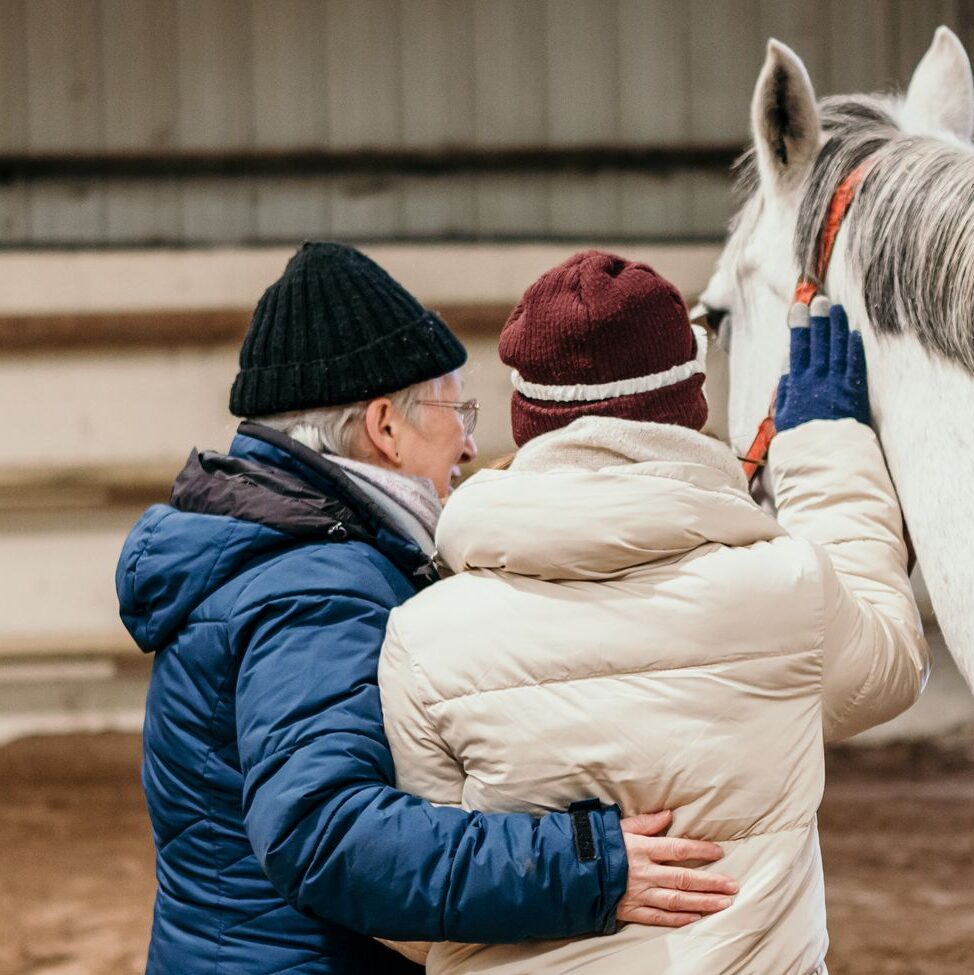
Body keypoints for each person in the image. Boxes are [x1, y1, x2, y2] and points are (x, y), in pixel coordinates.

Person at [115, 242, 737, 975]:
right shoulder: (314, 588)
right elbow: (325, 832)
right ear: (385, 426)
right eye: (456, 408)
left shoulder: (282, 555)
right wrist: (584, 865)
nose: (471, 443)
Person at [379, 250, 930, 973]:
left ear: (526, 417)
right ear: (689, 402)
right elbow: (887, 667)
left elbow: (424, 907)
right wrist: (823, 451)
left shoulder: (424, 635)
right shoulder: (783, 588)